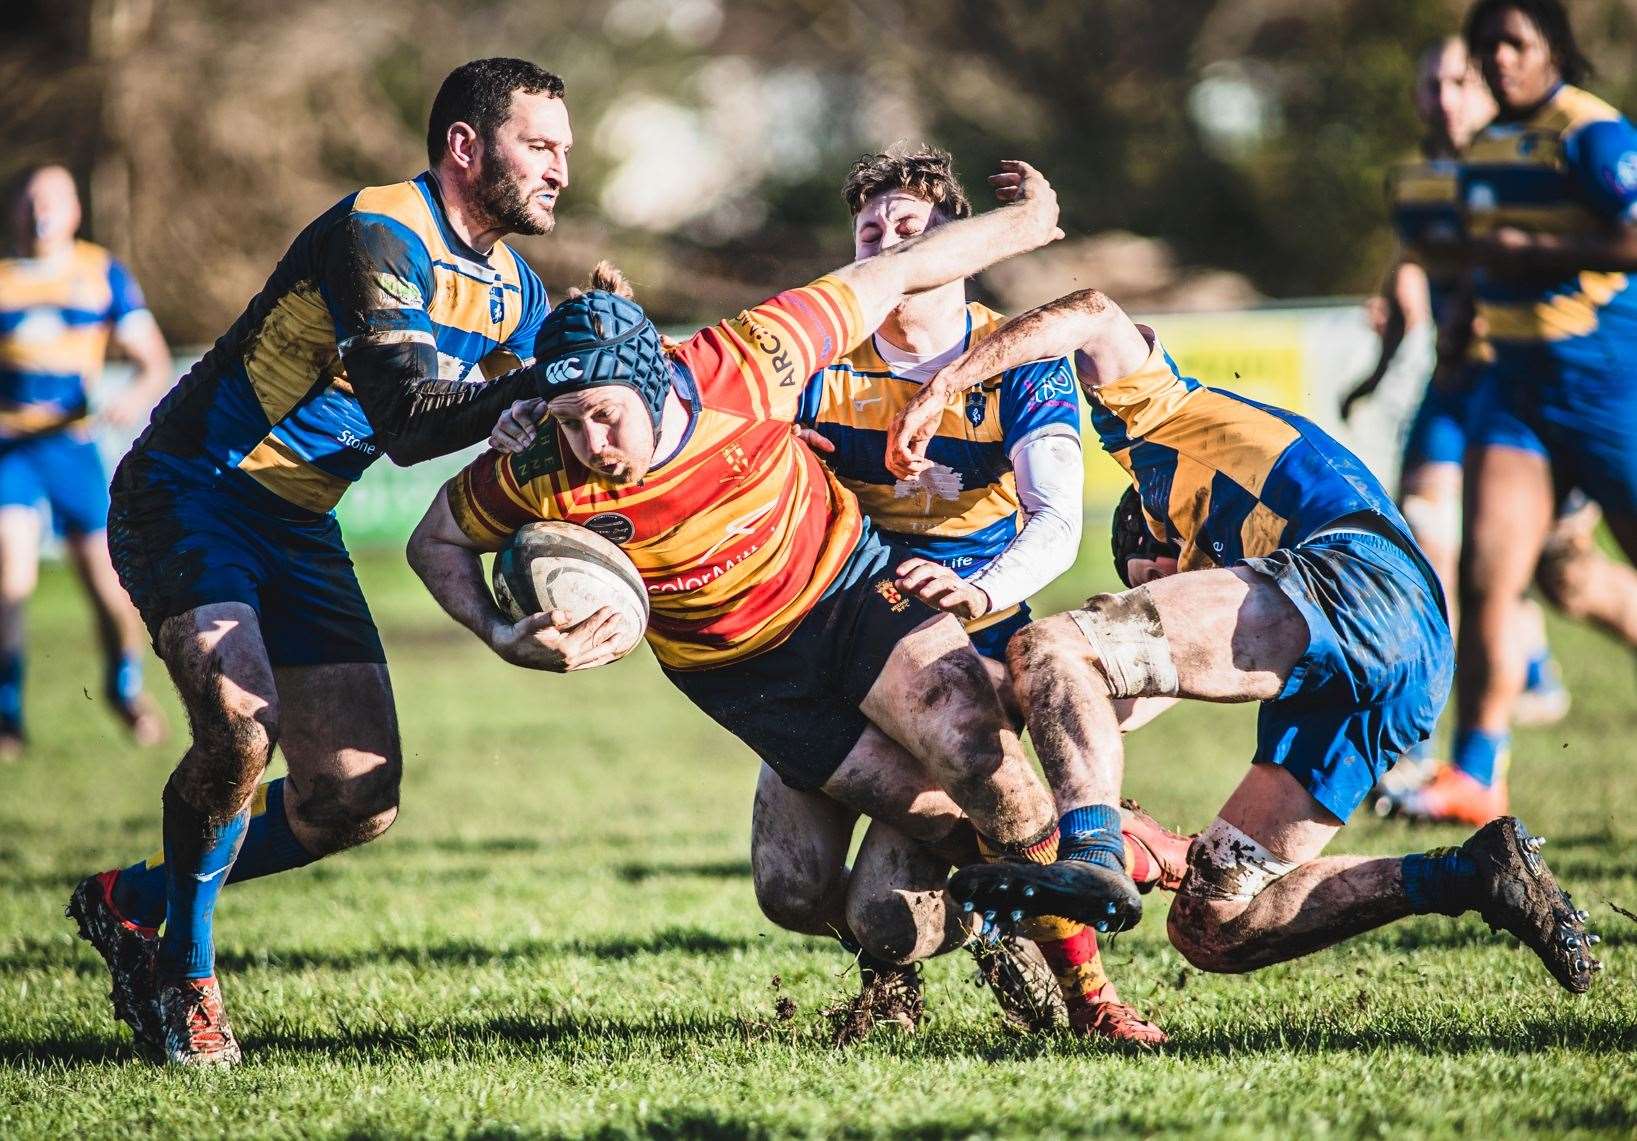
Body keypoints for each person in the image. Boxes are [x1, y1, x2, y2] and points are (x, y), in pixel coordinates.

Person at [409, 160, 1101, 1041]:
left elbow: (894, 271)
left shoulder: (748, 358)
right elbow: (432, 539)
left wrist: (1030, 217)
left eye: (605, 415)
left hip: (850, 596)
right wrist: (503, 633)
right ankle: (964, 921)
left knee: (979, 763)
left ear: (653, 379)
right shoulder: (540, 464)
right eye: (569, 415)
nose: (589, 440)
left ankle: (1092, 990)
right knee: (800, 892)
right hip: (746, 678)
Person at [65, 58, 575, 1067]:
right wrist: (526, 397)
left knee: (354, 798)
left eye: (566, 148)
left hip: (299, 526)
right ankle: (185, 976)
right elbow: (404, 413)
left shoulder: (516, 288)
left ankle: (130, 900)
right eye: (541, 144)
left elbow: (558, 420)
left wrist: (588, 371)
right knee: (243, 731)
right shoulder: (379, 230)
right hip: (192, 490)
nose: (563, 167)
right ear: (465, 147)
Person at [885, 286, 1601, 997]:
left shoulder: (1154, 419)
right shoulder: (1231, 600)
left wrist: (948, 382)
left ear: (1148, 535)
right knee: (1211, 922)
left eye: (1146, 579)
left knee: (1052, 643)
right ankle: (1474, 872)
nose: (1155, 590)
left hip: (1352, 575)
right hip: (1405, 662)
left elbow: (1093, 312)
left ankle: (1094, 853)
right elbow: (1086, 704)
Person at [763, 147, 1178, 1043]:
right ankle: (990, 889)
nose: (884, 245)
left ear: (961, 245)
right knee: (789, 890)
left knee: (888, 916)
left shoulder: (1016, 360)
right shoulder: (821, 361)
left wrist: (975, 589)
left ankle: (1081, 988)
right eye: (869, 232)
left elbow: (1055, 522)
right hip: (839, 634)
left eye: (908, 230)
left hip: (967, 643)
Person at [1435, 0, 1637, 824]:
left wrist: (1541, 254)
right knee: (1489, 574)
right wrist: (1459, 320)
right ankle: (1475, 774)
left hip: (1608, 394)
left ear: (1551, 45)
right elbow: (1485, 256)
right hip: (1514, 393)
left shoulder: (1592, 134)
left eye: (1513, 44)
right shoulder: (1481, 148)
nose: (1498, 61)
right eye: (1485, 48)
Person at [0, 165, 173, 756]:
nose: (38, 210)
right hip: (10, 452)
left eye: (51, 198)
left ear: (74, 210)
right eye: (28, 198)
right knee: (10, 580)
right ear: (14, 209)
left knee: (106, 584)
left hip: (72, 448)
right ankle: (8, 717)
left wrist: (131, 394)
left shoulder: (102, 274)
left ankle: (123, 685)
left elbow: (150, 359)